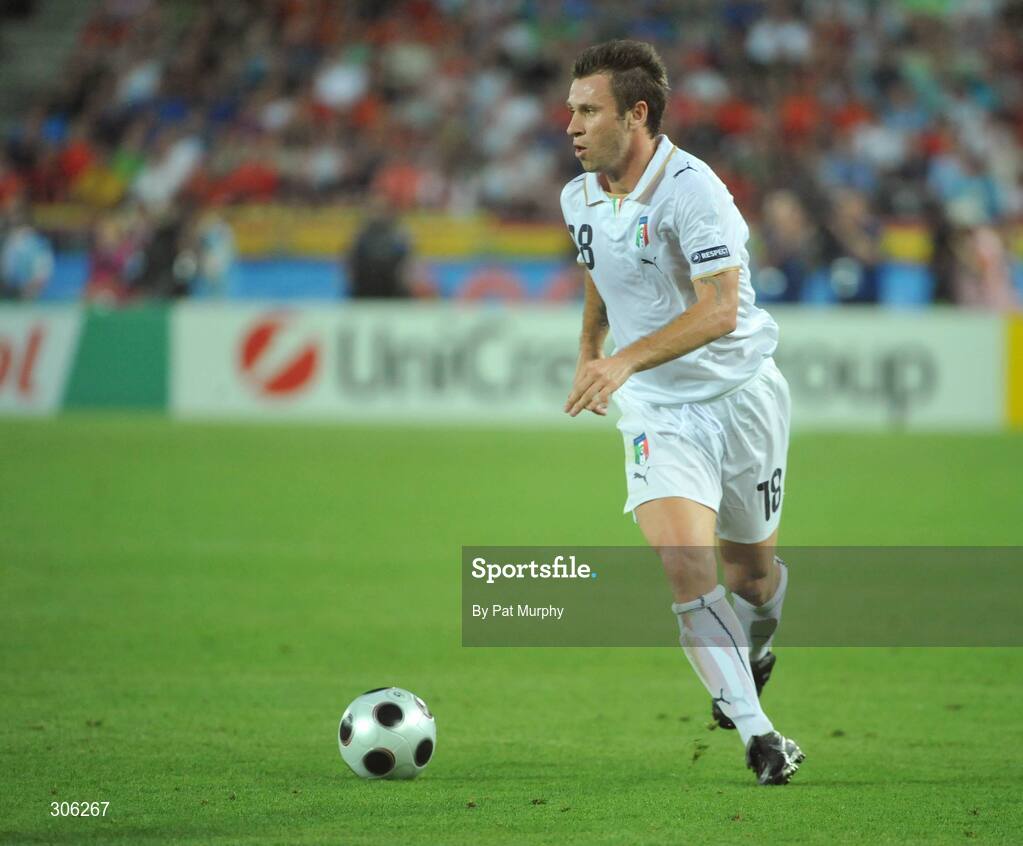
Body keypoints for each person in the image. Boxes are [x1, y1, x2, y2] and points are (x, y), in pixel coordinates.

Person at [560, 40, 803, 785]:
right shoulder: (578, 195)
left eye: (587, 110)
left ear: (636, 114)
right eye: (570, 109)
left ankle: (756, 648)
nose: (569, 125)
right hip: (657, 412)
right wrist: (589, 351)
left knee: (750, 577)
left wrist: (621, 359)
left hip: (739, 401)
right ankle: (760, 738)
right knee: (684, 567)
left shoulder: (693, 190)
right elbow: (600, 281)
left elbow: (722, 310)